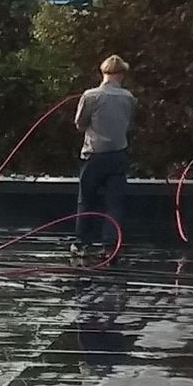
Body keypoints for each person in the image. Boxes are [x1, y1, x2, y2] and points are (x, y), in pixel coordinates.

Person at [73, 54, 136, 256]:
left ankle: (82, 243)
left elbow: (80, 124)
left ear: (103, 72)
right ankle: (110, 246)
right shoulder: (129, 98)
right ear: (122, 74)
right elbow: (128, 122)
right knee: (114, 204)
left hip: (94, 155)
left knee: (87, 200)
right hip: (118, 155)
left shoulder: (90, 96)